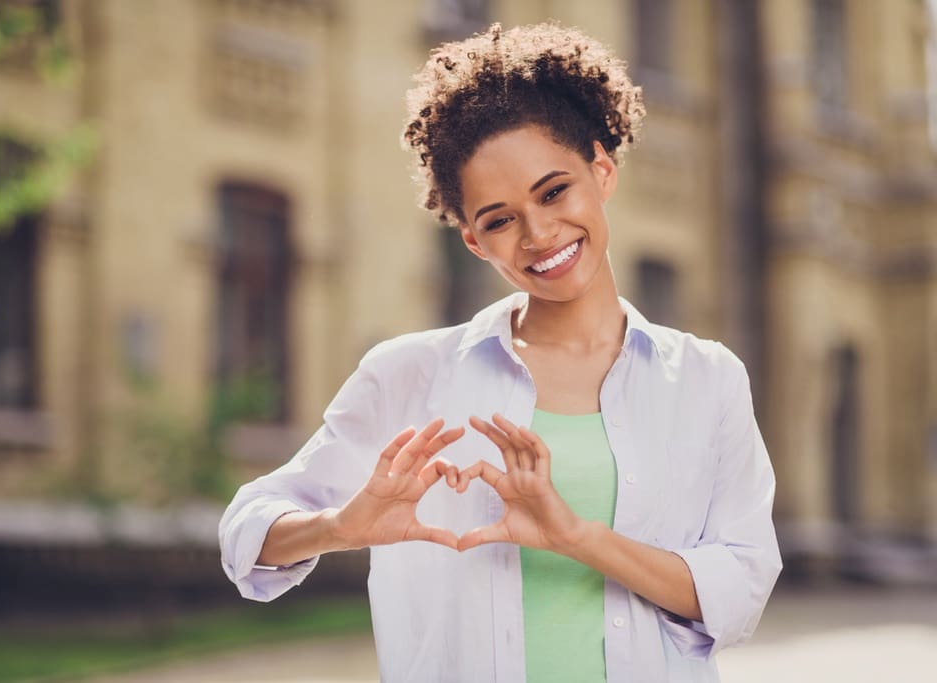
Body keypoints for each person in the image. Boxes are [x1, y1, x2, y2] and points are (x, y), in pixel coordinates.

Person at [219, 21, 782, 683]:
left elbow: (740, 588)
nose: (539, 234)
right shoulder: (409, 375)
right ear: (473, 241)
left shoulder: (706, 379)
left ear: (601, 171)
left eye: (554, 191)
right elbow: (245, 529)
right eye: (499, 219)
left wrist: (578, 537)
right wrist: (341, 524)